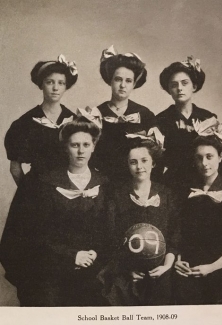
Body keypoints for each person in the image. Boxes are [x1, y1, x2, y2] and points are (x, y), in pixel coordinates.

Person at [0, 116, 110, 306]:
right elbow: (40, 235)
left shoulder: (105, 184)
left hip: (93, 268)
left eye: (86, 144)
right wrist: (73, 256)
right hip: (54, 269)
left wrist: (94, 254)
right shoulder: (47, 184)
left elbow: (109, 230)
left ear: (94, 146)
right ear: (66, 147)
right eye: (75, 145)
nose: (81, 150)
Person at [99, 135, 180, 306]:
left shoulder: (167, 195)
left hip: (162, 267)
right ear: (127, 165)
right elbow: (111, 237)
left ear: (153, 163)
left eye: (144, 160)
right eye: (133, 162)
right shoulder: (116, 196)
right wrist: (128, 269)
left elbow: (175, 235)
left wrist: (166, 266)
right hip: (125, 269)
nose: (139, 167)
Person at [174, 122, 222, 304]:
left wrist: (213, 267)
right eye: (199, 158)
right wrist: (178, 259)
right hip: (191, 267)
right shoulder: (185, 192)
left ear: (220, 156)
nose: (204, 163)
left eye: (209, 157)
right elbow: (177, 232)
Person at [156, 56, 222, 188]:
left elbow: (219, 156)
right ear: (169, 90)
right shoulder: (161, 120)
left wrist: (219, 185)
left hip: (204, 182)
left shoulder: (208, 117)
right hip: (175, 183)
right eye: (174, 85)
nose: (179, 88)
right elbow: (158, 160)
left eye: (185, 83)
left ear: (194, 86)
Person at [4, 54, 78, 186]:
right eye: (50, 82)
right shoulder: (24, 123)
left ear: (66, 87)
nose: (55, 88)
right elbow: (15, 168)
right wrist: (28, 194)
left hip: (69, 190)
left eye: (61, 83)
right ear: (41, 85)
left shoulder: (75, 121)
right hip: (37, 192)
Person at [93, 45, 156, 183]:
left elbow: (153, 155)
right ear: (110, 80)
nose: (123, 85)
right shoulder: (96, 114)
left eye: (128, 81)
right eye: (118, 79)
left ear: (134, 84)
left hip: (135, 182)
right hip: (102, 181)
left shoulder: (145, 115)